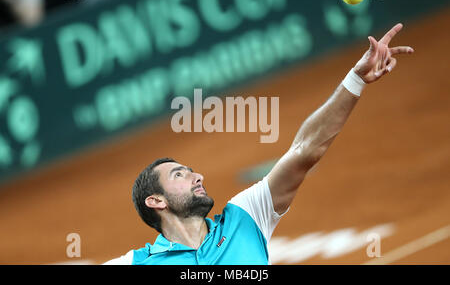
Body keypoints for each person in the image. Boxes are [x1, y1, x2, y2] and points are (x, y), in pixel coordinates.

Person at [103, 23, 414, 265]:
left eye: (191, 171)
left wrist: (355, 80)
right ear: (156, 201)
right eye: (179, 175)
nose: (197, 176)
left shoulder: (246, 216)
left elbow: (305, 150)